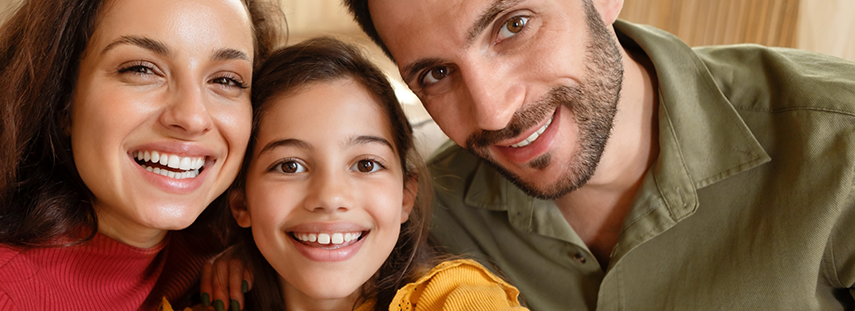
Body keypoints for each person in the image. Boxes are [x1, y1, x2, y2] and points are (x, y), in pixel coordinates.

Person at [337, 0, 855, 309]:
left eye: (513, 25)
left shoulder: (838, 144)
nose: (493, 113)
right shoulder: (422, 215)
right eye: (436, 74)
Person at [0, 0, 282, 310]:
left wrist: (257, 255)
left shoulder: (221, 255)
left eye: (226, 80)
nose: (191, 116)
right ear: (61, 100)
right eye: (140, 69)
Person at [181, 37, 527, 311]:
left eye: (365, 164)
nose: (330, 198)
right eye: (290, 166)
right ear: (241, 203)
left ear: (406, 195)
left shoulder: (458, 300)